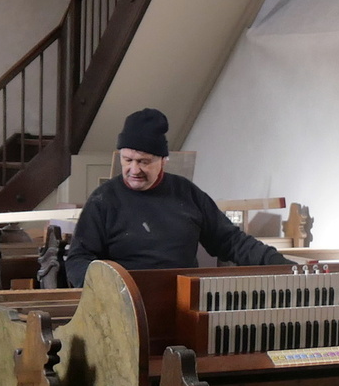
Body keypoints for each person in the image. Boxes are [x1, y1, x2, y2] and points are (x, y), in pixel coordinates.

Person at [65, 109, 289, 285]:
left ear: (163, 160)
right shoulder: (103, 200)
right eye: (127, 160)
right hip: (122, 305)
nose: (134, 169)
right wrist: (105, 288)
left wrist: (283, 266)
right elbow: (79, 259)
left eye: (144, 161)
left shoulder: (187, 193)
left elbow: (231, 241)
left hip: (183, 299)